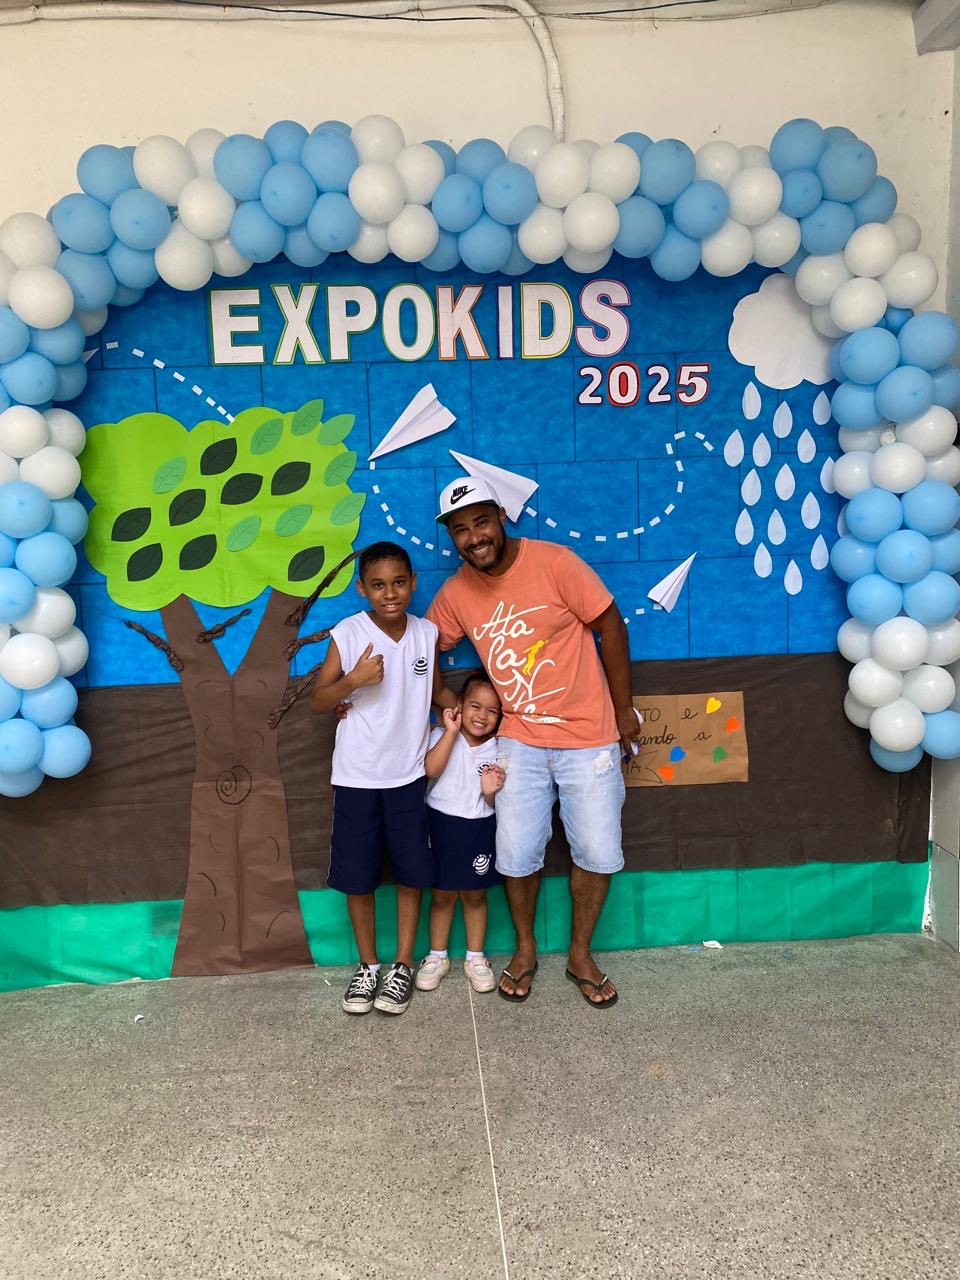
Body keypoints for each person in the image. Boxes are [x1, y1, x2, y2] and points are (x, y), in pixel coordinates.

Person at [426, 476, 641, 1008]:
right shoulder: (456, 593)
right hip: (518, 738)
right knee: (516, 853)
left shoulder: (555, 562)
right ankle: (525, 949)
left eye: (481, 522)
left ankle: (580, 954)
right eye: (460, 530)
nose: (474, 537)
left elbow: (611, 626)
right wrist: (448, 707)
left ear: (501, 516)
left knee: (597, 852)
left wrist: (622, 710)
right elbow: (421, 651)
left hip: (589, 735)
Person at [310, 541, 454, 1017]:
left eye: (398, 583)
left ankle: (402, 965)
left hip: (408, 775)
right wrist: (353, 680)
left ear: (413, 583)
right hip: (357, 776)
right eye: (378, 585)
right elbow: (318, 701)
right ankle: (368, 966)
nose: (389, 593)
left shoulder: (426, 633)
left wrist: (468, 713)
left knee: (412, 873)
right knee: (358, 876)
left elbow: (434, 690)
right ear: (362, 589)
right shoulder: (349, 633)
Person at [416, 670, 506, 996]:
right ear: (460, 706)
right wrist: (451, 733)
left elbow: (497, 802)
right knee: (441, 895)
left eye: (492, 710)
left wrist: (490, 792)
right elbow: (430, 769)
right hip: (439, 824)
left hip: (479, 827)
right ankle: (437, 956)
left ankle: (475, 958)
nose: (482, 716)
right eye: (475, 706)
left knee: (474, 895)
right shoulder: (441, 734)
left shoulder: (500, 749)